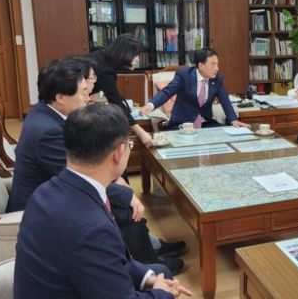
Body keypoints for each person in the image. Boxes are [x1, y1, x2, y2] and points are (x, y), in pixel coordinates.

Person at [6, 57, 185, 273]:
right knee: (124, 206)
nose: (87, 96)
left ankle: (149, 248)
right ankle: (145, 265)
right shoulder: (48, 132)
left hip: (54, 191)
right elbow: (78, 178)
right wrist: (125, 194)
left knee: (121, 187)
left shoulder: (45, 113)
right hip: (42, 207)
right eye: (83, 92)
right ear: (60, 97)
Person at [14, 103, 192, 299]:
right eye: (129, 145)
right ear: (118, 153)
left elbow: (105, 260)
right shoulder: (94, 230)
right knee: (165, 283)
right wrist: (161, 293)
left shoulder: (44, 192)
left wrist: (149, 279)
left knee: (159, 272)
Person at [140, 48, 250, 129]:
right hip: (182, 124)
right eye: (213, 64)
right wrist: (151, 105)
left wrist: (233, 120)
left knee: (225, 135)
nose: (217, 68)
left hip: (206, 123)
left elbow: (225, 100)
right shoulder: (184, 75)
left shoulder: (217, 78)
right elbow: (167, 92)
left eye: (217, 64)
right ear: (201, 66)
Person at [89, 34, 155, 146]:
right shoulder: (105, 70)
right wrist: (141, 133)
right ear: (126, 54)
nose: (138, 59)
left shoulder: (102, 57)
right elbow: (117, 103)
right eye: (136, 55)